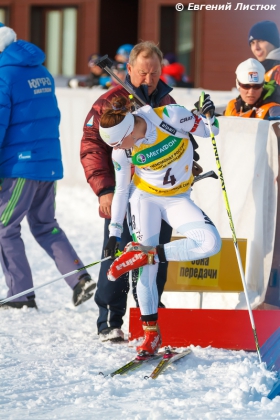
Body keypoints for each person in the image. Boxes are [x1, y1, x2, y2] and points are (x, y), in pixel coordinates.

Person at [98, 95, 221, 356]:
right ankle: (151, 336)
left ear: (130, 127)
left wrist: (209, 115)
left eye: (121, 141)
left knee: (210, 243)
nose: (120, 148)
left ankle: (147, 254)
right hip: (145, 199)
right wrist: (114, 232)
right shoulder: (121, 150)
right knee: (147, 273)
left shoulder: (170, 116)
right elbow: (121, 190)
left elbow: (212, 131)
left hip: (177, 199)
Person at [81, 41, 183, 343]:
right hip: (123, 191)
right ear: (129, 69)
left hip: (159, 191)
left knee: (154, 256)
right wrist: (105, 190)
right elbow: (91, 146)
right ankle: (110, 319)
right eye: (142, 73)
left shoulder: (166, 102)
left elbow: (180, 141)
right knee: (118, 252)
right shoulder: (111, 102)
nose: (148, 79)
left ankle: (148, 316)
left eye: (154, 73)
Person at [0, 24, 96, 309]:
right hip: (47, 164)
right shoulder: (42, 72)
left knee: (4, 227)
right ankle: (80, 278)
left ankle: (21, 294)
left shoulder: (4, 75)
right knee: (45, 224)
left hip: (20, 167)